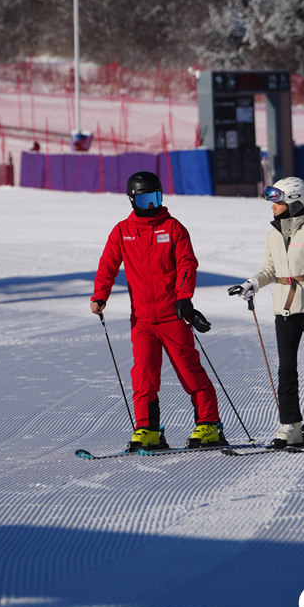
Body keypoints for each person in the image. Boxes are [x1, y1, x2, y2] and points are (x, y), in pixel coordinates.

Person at [91, 170, 223, 451]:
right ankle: (147, 430)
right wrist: (100, 295)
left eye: (157, 198)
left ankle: (209, 425)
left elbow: (187, 263)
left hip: (171, 315)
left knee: (190, 371)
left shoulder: (173, 228)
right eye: (147, 200)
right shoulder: (122, 231)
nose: (153, 205)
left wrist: (184, 298)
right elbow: (108, 265)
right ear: (133, 200)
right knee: (143, 376)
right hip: (142, 320)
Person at [228, 176, 304, 448]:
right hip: (284, 310)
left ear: (293, 201)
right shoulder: (273, 235)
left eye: (277, 200)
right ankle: (292, 427)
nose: (272, 205)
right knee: (286, 370)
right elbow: (270, 270)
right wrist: (252, 284)